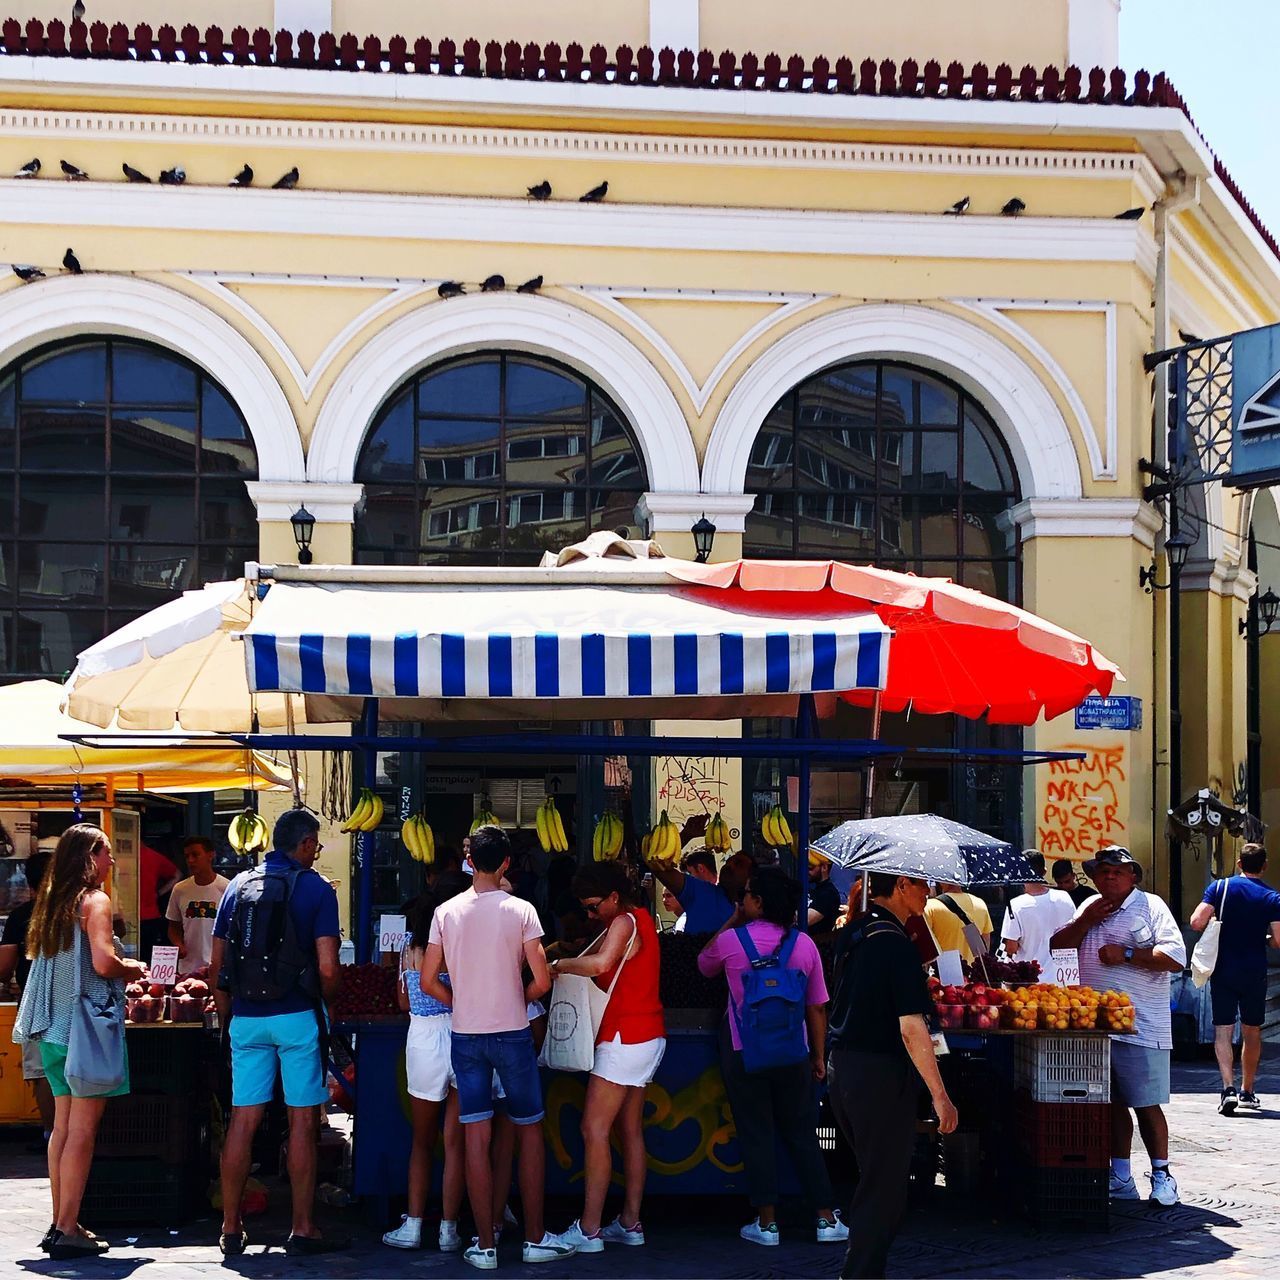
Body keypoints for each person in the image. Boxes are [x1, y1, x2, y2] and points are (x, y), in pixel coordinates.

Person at [420, 824, 573, 1269]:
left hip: (466, 1035)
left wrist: (463, 1000)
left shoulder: (446, 912)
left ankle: (484, 1244)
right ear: (507, 863)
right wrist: (515, 996)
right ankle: (534, 1237)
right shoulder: (522, 910)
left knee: (475, 1136)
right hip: (512, 1033)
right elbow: (542, 980)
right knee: (528, 1134)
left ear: (470, 862)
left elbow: (428, 981)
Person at [209, 809, 346, 1257]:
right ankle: (303, 1227)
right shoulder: (316, 890)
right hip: (297, 1015)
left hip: (247, 1017)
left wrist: (230, 1018)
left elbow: (217, 968)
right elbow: (328, 966)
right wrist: (328, 1004)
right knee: (302, 1120)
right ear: (306, 844)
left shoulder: (237, 886)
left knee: (243, 1119)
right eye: (316, 845)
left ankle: (231, 1228)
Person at [14, 824, 147, 1260]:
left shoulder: (52, 901)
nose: (111, 863)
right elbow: (103, 962)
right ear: (90, 858)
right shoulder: (95, 901)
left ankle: (60, 1222)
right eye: (106, 854)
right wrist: (132, 967)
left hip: (51, 1031)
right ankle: (68, 1227)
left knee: (63, 1130)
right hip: (84, 1031)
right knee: (82, 1133)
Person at [697, 867, 848, 1249]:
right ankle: (826, 1218)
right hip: (793, 1052)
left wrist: (732, 920)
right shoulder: (804, 945)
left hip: (742, 1051)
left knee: (756, 1133)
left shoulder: (732, 941)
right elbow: (817, 1008)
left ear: (757, 903)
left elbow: (703, 964)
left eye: (746, 895)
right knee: (801, 1134)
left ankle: (767, 1224)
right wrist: (818, 1056)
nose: (741, 900)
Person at [826, 871, 959, 1279]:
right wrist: (941, 1096)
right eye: (921, 884)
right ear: (900, 886)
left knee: (875, 1179)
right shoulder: (894, 943)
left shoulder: (856, 932)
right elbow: (911, 1026)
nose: (928, 892)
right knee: (882, 1189)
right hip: (877, 1074)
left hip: (844, 1069)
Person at [1050, 846, 1185, 1207]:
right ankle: (1121, 1175)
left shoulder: (1151, 906)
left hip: (1140, 1026)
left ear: (1132, 877)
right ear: (1093, 879)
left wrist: (1125, 954)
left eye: (1117, 871)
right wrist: (1086, 921)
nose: (1108, 877)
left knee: (1146, 1103)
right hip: (1094, 1028)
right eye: (1102, 872)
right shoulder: (1088, 907)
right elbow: (1057, 946)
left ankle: (1162, 1174)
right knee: (1110, 1105)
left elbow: (1175, 958)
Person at [548, 861, 666, 1253]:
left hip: (623, 1038)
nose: (590, 914)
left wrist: (557, 966)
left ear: (615, 897)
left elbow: (600, 965)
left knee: (593, 1130)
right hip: (647, 1035)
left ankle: (589, 1230)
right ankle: (630, 1223)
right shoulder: (641, 919)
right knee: (629, 1130)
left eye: (594, 905)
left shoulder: (623, 924)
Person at [383, 890, 465, 1252]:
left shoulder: (409, 948)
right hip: (462, 1035)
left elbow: (402, 1001)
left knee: (422, 1141)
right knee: (456, 1142)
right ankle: (449, 1229)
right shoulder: (461, 943)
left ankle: (413, 1225)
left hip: (423, 1038)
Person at [1189, 842, 1280, 1114]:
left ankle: (1227, 1088)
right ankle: (1247, 1090)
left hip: (1223, 968)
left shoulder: (1220, 888)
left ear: (1239, 864)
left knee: (1223, 1030)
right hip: (1254, 970)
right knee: (1251, 1031)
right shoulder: (1272, 897)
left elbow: (1195, 922)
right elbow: (1277, 941)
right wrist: (1261, 937)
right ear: (1264, 866)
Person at [0, 849, 55, 1137]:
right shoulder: (73, 912)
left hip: (33, 1002)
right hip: (71, 1002)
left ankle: (51, 1134)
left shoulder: (20, 916)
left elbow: (4, 967)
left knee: (42, 1071)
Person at [1000, 852, 1077, 977]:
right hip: (1063, 977)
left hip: (1030, 979)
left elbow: (1011, 948)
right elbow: (1075, 933)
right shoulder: (1065, 898)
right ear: (1045, 871)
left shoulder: (1016, 905)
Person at [647, 847, 753, 934]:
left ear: (751, 876)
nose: (729, 866)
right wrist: (686, 835)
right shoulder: (701, 892)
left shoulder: (756, 912)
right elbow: (657, 864)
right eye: (727, 863)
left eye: (738, 864)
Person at [165, 836, 229, 976]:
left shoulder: (227, 888)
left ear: (210, 855)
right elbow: (173, 926)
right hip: (188, 968)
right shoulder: (180, 889)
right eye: (187, 856)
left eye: (195, 855)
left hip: (217, 968)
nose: (190, 860)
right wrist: (178, 944)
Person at [923, 881, 992, 964]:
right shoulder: (980, 904)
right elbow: (986, 943)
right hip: (974, 973)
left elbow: (926, 949)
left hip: (944, 973)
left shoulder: (930, 906)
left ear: (942, 882)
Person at [137, 842, 180, 954]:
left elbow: (177, 875)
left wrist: (159, 892)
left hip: (139, 914)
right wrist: (159, 893)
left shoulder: (120, 855)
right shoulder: (154, 856)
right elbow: (177, 875)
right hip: (149, 914)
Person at [807, 852, 841, 937]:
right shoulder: (811, 888)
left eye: (810, 868)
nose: (807, 871)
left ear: (824, 867)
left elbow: (805, 920)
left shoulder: (829, 893)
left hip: (819, 944)